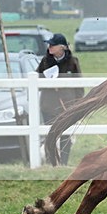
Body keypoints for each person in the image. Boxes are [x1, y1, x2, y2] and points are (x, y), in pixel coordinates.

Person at [37, 33, 83, 166]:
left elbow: (79, 85)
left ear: (62, 47)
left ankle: (63, 163)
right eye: (49, 45)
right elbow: (38, 78)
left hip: (67, 106)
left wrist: (78, 105)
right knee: (50, 135)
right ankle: (52, 162)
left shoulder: (73, 62)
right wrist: (48, 80)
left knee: (66, 135)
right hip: (48, 105)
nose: (49, 47)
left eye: (53, 45)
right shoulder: (45, 61)